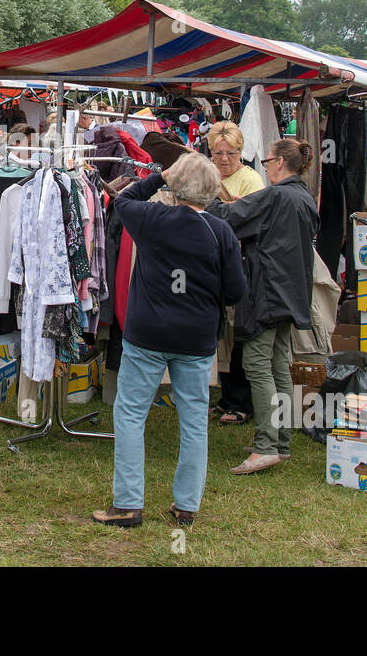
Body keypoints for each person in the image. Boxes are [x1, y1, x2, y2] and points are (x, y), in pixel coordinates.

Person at [92, 153, 246, 527]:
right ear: (211, 190)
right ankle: (186, 505)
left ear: (176, 186)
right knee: (193, 420)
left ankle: (128, 502)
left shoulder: (152, 218)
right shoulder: (219, 231)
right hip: (195, 337)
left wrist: (160, 176)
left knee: (130, 413)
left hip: (147, 332)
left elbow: (122, 199)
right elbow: (236, 290)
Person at [206, 138, 320, 476]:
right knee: (277, 366)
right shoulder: (302, 196)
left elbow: (225, 216)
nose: (265, 166)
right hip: (290, 293)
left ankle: (267, 445)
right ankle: (279, 441)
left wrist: (205, 196)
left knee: (258, 365)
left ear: (281, 162)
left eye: (268, 160)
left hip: (267, 293)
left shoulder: (277, 196)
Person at [202, 120, 266, 425]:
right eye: (217, 153)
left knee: (238, 333)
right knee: (223, 335)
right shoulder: (210, 176)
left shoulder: (251, 181)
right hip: (216, 263)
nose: (224, 158)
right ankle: (227, 398)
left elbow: (250, 222)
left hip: (242, 264)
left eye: (229, 153)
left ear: (240, 152)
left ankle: (241, 402)